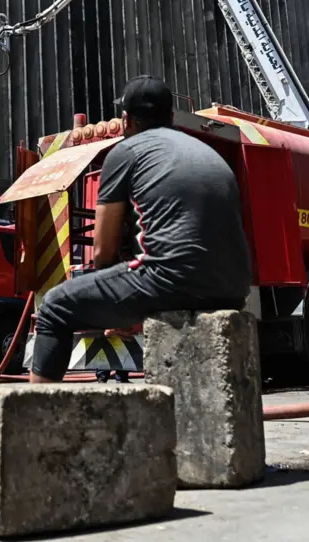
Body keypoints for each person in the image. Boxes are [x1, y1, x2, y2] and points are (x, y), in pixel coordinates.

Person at [30, 75, 253, 383]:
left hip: (171, 281)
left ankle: (37, 423)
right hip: (234, 288)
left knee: (55, 307)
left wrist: (112, 307)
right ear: (172, 116)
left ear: (125, 120)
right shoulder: (206, 152)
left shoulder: (127, 152)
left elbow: (103, 251)